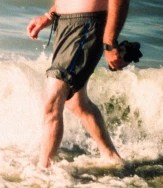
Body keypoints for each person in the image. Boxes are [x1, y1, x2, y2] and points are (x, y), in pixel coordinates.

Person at [27, 0, 130, 168]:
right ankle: (111, 157)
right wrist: (49, 15)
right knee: (76, 102)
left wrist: (110, 42)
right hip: (65, 24)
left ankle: (43, 172)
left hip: (87, 24)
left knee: (51, 98)